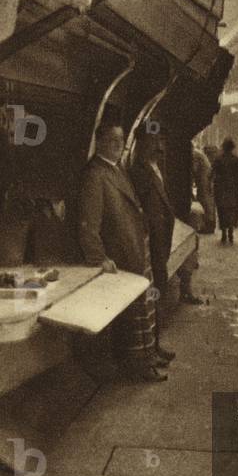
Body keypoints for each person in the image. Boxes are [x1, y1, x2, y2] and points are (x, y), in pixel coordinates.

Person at [78, 122, 166, 383]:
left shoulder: (114, 169)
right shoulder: (95, 174)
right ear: (100, 141)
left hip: (133, 249)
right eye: (113, 140)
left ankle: (147, 358)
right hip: (120, 255)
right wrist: (98, 259)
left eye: (121, 140)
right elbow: (88, 224)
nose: (119, 145)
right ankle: (137, 367)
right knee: (132, 318)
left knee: (141, 312)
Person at [129, 127, 178, 365]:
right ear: (142, 144)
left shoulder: (156, 168)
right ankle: (151, 349)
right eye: (152, 141)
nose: (158, 146)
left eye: (159, 140)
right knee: (153, 294)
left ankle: (155, 346)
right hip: (152, 244)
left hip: (161, 242)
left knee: (157, 294)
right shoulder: (138, 171)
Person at [211, 138, 238, 244]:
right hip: (233, 189)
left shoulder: (218, 159)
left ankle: (224, 234)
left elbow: (212, 172)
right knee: (232, 210)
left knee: (222, 211)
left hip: (221, 189)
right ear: (232, 148)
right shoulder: (236, 159)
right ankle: (230, 232)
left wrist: (209, 184)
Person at [191, 143, 216, 234]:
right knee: (207, 199)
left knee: (205, 199)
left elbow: (194, 169)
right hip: (206, 176)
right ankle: (209, 224)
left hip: (205, 177)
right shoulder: (197, 153)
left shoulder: (193, 154)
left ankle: (209, 226)